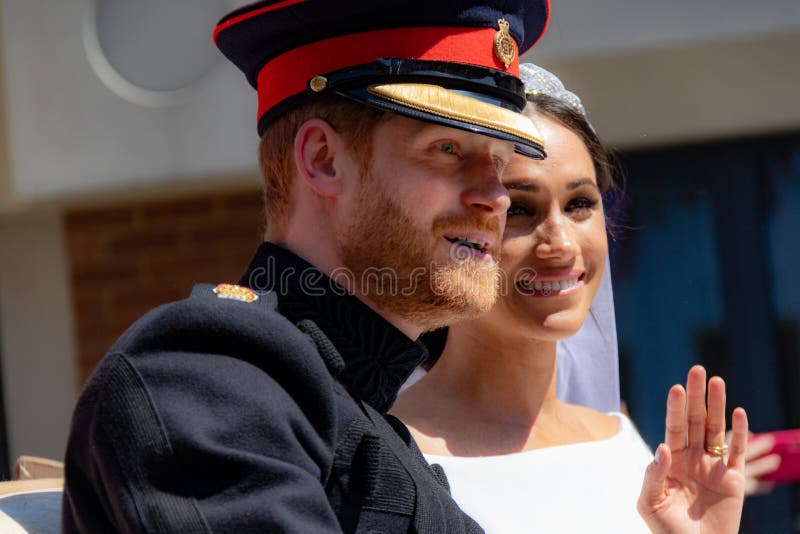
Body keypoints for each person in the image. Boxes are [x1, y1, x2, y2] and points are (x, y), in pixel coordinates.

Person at [60, 1, 551, 532]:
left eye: (499, 162)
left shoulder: (354, 407)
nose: (496, 196)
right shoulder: (205, 376)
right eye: (448, 148)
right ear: (322, 159)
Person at [391, 64, 749, 533]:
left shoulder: (623, 445)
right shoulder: (388, 451)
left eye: (580, 203)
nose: (559, 244)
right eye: (519, 210)